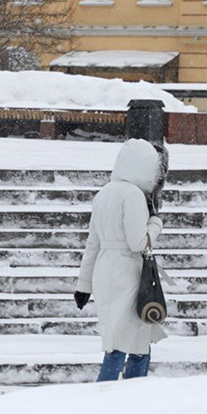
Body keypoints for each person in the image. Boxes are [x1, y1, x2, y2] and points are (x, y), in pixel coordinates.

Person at [74, 138, 170, 381]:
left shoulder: (103, 194)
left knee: (114, 340)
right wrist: (156, 223)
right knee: (137, 346)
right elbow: (139, 242)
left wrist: (82, 287)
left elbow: (92, 244)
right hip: (128, 273)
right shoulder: (133, 195)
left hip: (105, 271)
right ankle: (126, 396)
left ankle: (107, 394)